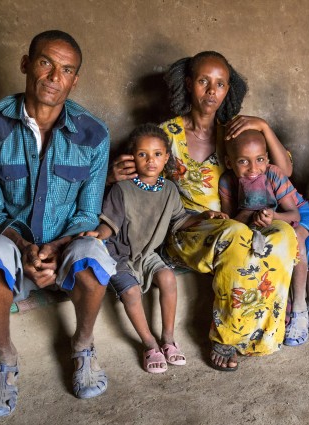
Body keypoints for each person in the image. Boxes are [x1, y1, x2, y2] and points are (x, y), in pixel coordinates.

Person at [0, 30, 116, 418]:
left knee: (95, 253)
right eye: (45, 63)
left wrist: (55, 249)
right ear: (26, 64)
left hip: (64, 248)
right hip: (12, 247)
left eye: (66, 70)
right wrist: (26, 249)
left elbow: (85, 212)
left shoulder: (93, 134)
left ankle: (82, 347)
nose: (53, 76)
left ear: (74, 80)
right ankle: (5, 359)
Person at [109, 51, 297, 371]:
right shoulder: (166, 135)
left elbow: (284, 171)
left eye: (220, 84)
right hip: (186, 230)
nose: (212, 91)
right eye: (203, 81)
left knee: (283, 233)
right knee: (236, 235)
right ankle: (225, 336)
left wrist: (263, 127)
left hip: (237, 222)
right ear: (188, 84)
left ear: (228, 91)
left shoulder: (233, 134)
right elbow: (141, 186)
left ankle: (262, 334)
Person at [81, 124, 226, 373]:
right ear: (131, 158)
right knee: (131, 293)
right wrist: (97, 236)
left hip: (147, 254)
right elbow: (109, 223)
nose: (151, 161)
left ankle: (168, 339)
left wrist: (205, 216)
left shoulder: (169, 190)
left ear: (167, 157)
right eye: (142, 155)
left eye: (157, 154)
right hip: (117, 255)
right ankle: (149, 344)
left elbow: (179, 220)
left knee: (168, 278)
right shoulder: (121, 188)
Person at [218, 129, 309, 346]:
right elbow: (232, 223)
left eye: (259, 160)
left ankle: (300, 311)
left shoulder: (273, 173)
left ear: (267, 159)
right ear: (229, 163)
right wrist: (249, 211)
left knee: (296, 245)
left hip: (297, 214)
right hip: (266, 222)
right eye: (243, 161)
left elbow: (294, 214)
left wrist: (273, 215)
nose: (253, 169)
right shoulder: (227, 182)